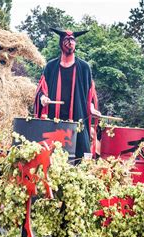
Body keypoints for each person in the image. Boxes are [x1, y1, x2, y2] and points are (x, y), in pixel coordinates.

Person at [34, 27, 101, 159]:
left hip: (78, 116)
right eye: (66, 40)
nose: (70, 43)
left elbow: (90, 92)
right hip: (54, 118)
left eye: (72, 40)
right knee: (51, 156)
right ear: (61, 44)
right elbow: (41, 90)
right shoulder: (50, 67)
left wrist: (92, 108)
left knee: (80, 155)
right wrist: (43, 98)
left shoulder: (84, 67)